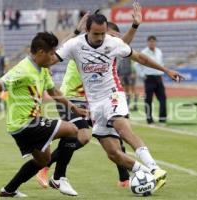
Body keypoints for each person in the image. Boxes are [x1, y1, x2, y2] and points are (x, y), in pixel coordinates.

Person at [50, 11, 184, 196]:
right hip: (94, 104)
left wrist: (166, 70)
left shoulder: (113, 43)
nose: (100, 38)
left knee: (122, 127)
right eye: (96, 34)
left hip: (113, 94)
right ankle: (146, 174)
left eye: (103, 34)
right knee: (113, 153)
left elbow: (140, 58)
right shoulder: (75, 45)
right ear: (86, 30)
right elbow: (51, 59)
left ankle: (154, 169)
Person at [0, 32, 87, 198]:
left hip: (22, 126)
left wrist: (73, 107)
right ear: (40, 52)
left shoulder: (43, 69)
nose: (53, 58)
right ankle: (59, 177)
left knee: (43, 161)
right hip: (26, 124)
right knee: (72, 130)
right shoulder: (22, 70)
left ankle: (8, 190)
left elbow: (54, 91)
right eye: (51, 53)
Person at [36, 5, 143, 194]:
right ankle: (46, 167)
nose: (105, 40)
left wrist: (134, 26)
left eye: (108, 37)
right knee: (81, 136)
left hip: (93, 101)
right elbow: (60, 51)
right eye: (101, 35)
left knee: (114, 136)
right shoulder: (80, 46)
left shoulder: (107, 47)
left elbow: (123, 45)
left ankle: (124, 179)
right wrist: (76, 31)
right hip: (71, 97)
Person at [138, 36, 167, 124]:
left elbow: (161, 63)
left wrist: (162, 73)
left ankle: (162, 118)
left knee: (163, 98)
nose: (152, 43)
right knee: (148, 99)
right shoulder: (144, 52)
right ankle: (149, 119)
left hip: (158, 77)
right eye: (150, 42)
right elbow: (137, 65)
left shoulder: (159, 51)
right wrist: (142, 75)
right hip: (149, 78)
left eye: (153, 42)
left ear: (155, 42)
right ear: (147, 43)